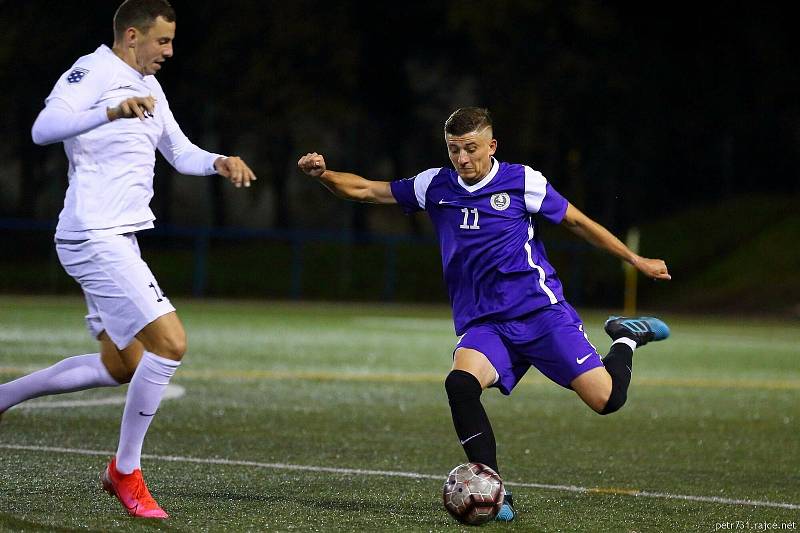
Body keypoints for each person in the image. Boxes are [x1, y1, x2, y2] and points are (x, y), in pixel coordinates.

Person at [297, 107, 671, 522]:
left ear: (491, 146)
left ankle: (625, 336)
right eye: (454, 150)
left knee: (608, 400)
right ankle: (494, 488)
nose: (462, 159)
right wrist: (324, 175)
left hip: (540, 314)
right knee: (459, 384)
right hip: (485, 323)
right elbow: (367, 190)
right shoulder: (434, 185)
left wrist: (635, 259)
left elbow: (578, 223)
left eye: (471, 149)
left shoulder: (522, 181)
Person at [0, 0, 256, 519]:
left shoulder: (152, 87)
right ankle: (125, 470)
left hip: (119, 236)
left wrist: (219, 161)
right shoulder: (94, 71)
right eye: (162, 41)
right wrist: (110, 110)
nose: (169, 51)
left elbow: (180, 153)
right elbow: (43, 129)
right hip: (94, 234)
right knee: (171, 342)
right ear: (133, 35)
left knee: (123, 366)